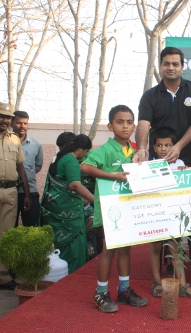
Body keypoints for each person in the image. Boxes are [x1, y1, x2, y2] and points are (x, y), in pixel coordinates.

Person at [135, 47, 191, 296]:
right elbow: (143, 125)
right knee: (163, 224)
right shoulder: (150, 96)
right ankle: (166, 276)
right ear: (160, 67)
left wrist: (179, 148)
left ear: (183, 66)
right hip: (159, 169)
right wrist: (141, 148)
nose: (170, 67)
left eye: (175, 63)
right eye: (166, 64)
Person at [81, 105, 148, 313]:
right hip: (111, 210)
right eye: (120, 122)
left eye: (129, 122)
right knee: (108, 250)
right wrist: (114, 176)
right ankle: (100, 293)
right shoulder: (106, 150)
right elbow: (85, 166)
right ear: (111, 126)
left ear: (134, 125)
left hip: (129, 207)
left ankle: (124, 290)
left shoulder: (135, 150)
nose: (125, 126)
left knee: (126, 249)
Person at [148, 127, 191, 299]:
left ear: (174, 146)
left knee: (176, 248)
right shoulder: (148, 165)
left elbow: (186, 185)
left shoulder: (180, 165)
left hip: (174, 214)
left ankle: (183, 284)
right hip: (155, 213)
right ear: (154, 147)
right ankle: (157, 282)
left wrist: (184, 173)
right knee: (156, 247)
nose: (163, 149)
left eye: (168, 145)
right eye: (159, 145)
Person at [0, 102, 31, 293]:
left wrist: (26, 193)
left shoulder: (14, 139)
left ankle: (1, 278)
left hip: (11, 192)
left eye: (8, 117)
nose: (5, 120)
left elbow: (20, 167)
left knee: (4, 237)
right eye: (1, 116)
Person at [40, 134, 94, 274]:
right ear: (81, 149)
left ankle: (58, 274)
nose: (85, 155)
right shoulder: (71, 160)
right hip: (69, 212)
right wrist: (95, 200)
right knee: (74, 242)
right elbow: (75, 185)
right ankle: (73, 275)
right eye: (86, 151)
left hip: (57, 207)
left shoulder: (60, 157)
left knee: (58, 246)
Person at [11, 111, 43, 227]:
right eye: (19, 123)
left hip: (30, 191)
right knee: (9, 228)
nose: (22, 126)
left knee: (32, 227)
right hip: (9, 191)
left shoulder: (36, 144)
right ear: (11, 123)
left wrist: (26, 175)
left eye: (25, 123)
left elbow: (38, 166)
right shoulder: (5, 142)